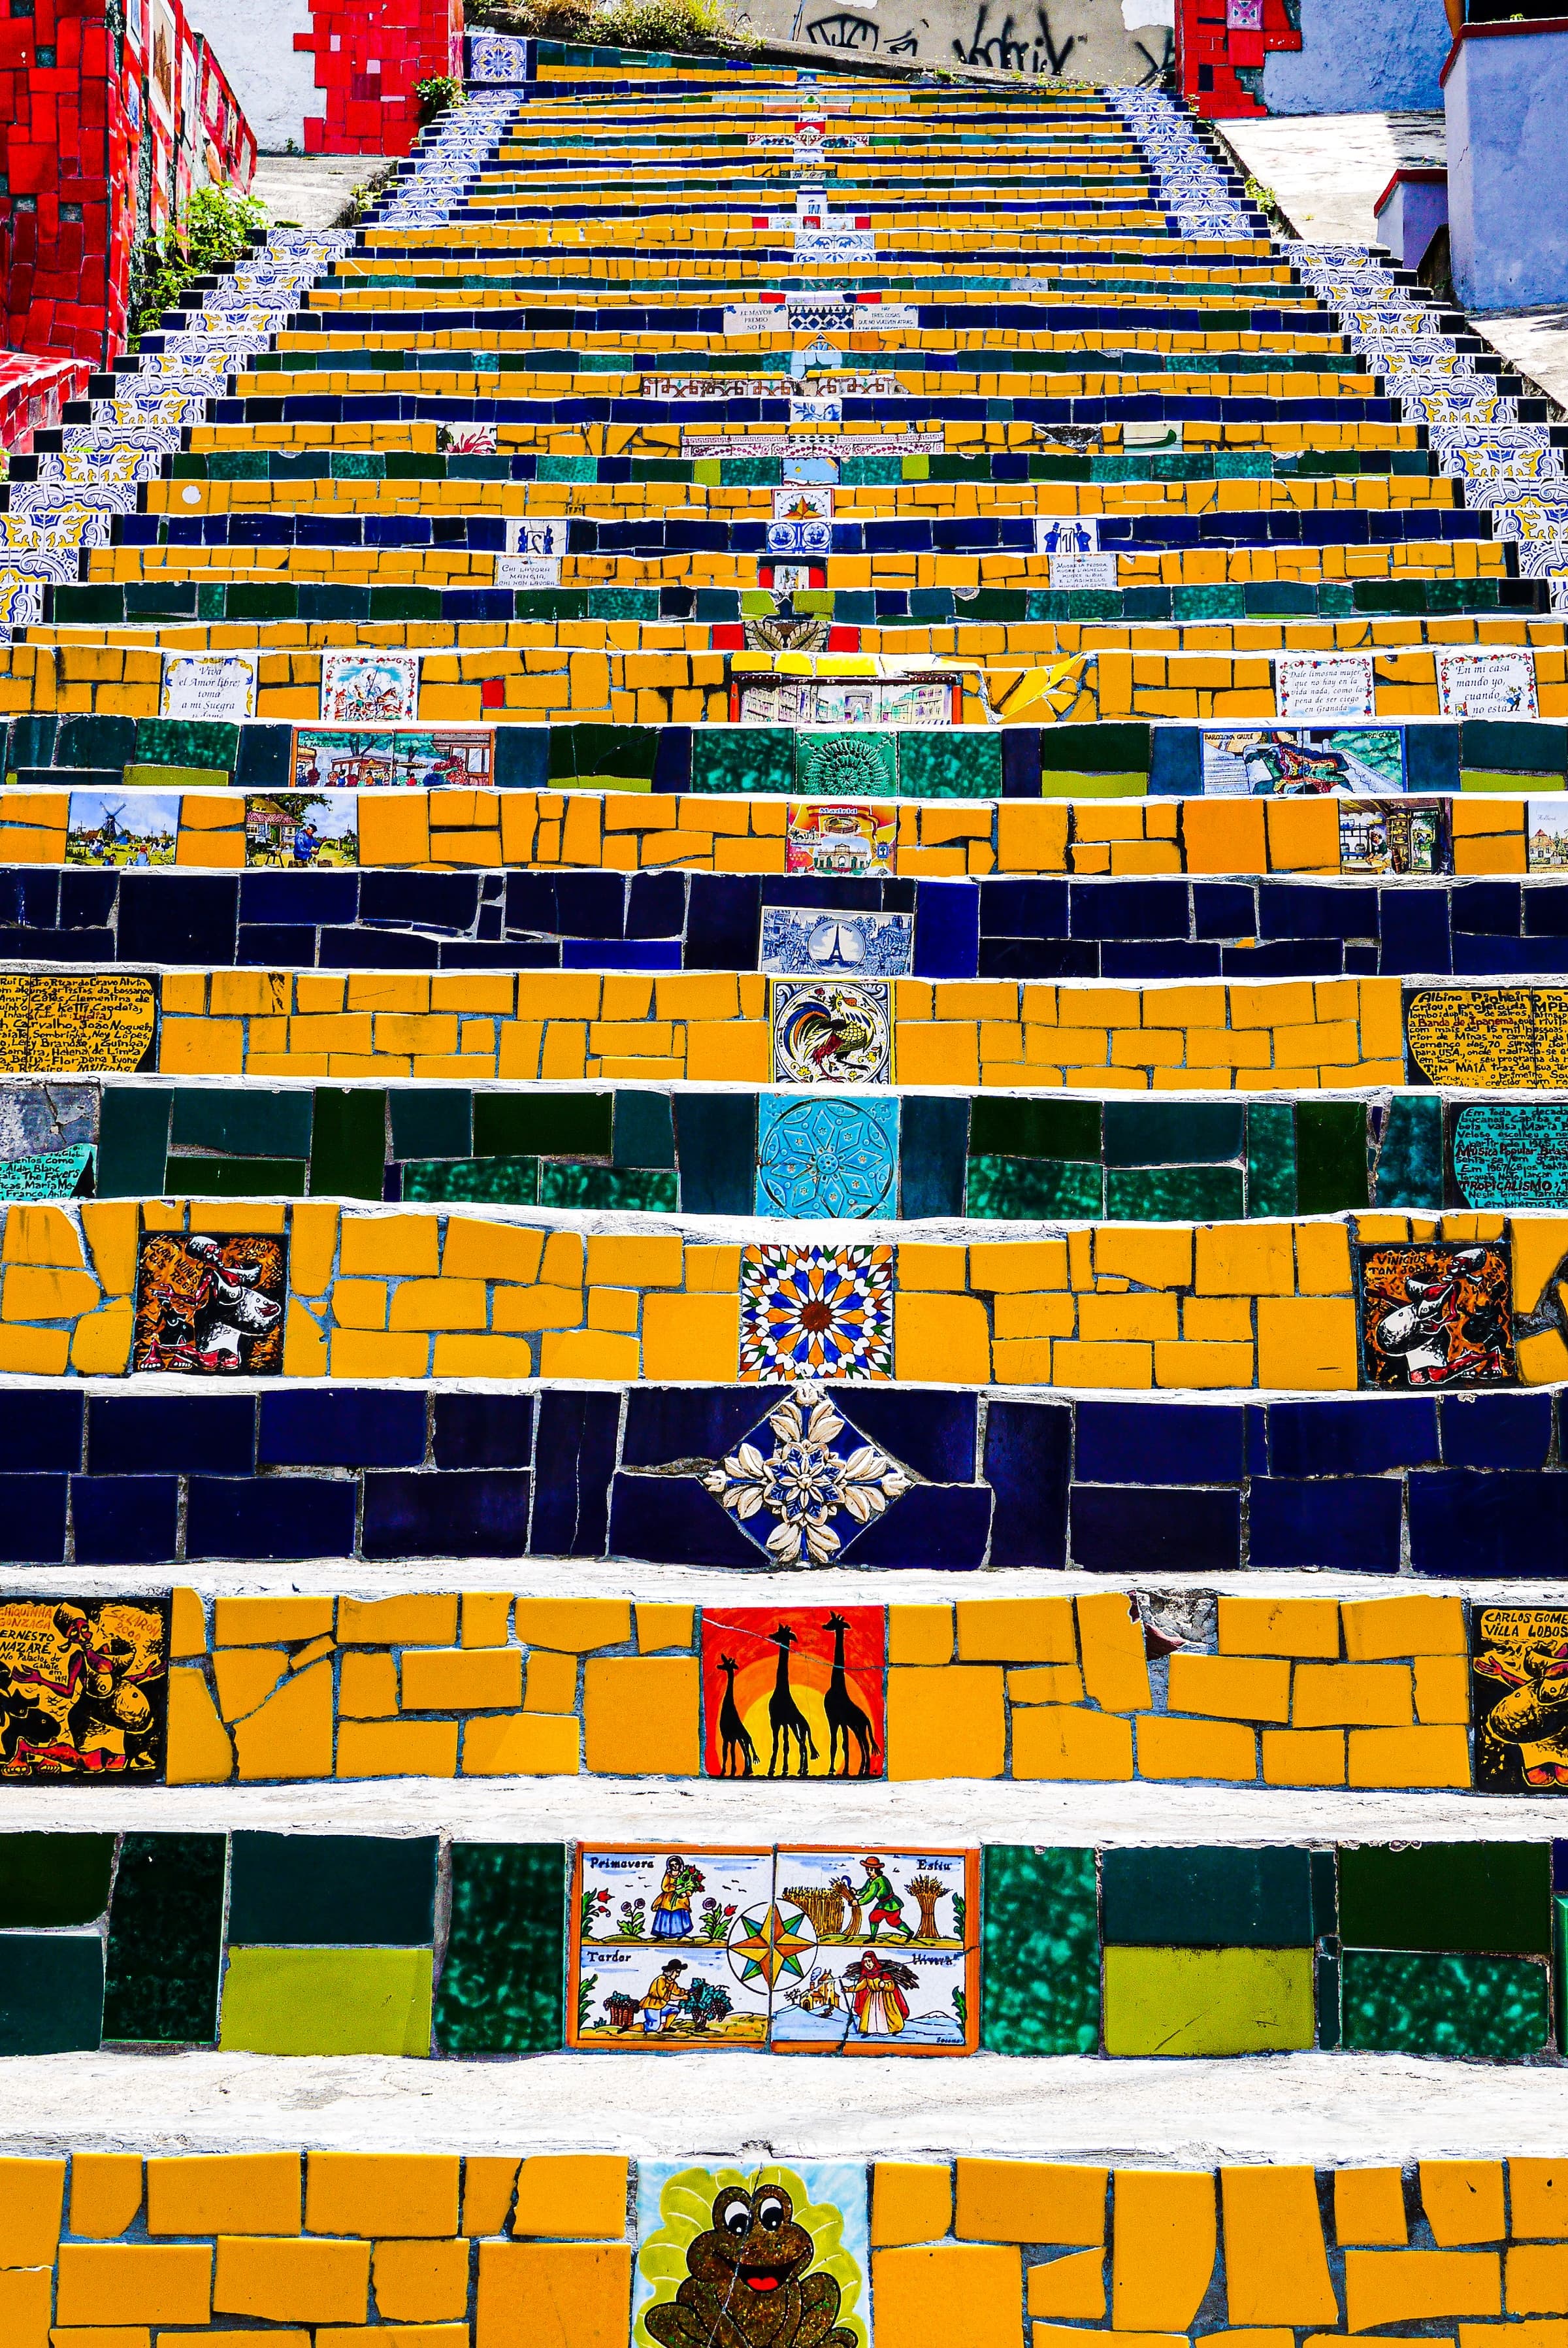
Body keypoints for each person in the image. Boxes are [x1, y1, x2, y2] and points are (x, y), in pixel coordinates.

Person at [844, 1950, 912, 2037]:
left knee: (889, 2015)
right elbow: (860, 1987)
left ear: (874, 1961)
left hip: (885, 1999)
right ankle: (870, 2030)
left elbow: (891, 1986)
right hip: (872, 1999)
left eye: (869, 1961)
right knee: (871, 2014)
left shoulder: (883, 1973)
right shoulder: (867, 1975)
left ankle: (894, 2029)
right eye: (865, 1962)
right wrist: (848, 1989)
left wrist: (884, 1985)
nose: (867, 1964)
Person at [854, 1857, 911, 1942]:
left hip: (891, 1905)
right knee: (874, 1917)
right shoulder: (871, 1880)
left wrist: (858, 1902)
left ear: (876, 1870)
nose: (868, 1872)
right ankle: (873, 1937)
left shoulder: (879, 1881)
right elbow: (865, 1890)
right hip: (883, 1905)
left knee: (893, 1922)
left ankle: (909, 1933)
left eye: (871, 1869)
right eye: (867, 1869)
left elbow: (870, 1896)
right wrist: (856, 1892)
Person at [651, 1856, 694, 1940]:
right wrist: (675, 1888)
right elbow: (665, 1887)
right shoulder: (668, 1876)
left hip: (680, 1902)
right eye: (672, 1865)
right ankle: (662, 1935)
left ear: (680, 1865)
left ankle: (680, 1935)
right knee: (665, 1917)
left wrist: (686, 1894)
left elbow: (690, 1888)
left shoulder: (684, 1876)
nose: (674, 1866)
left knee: (679, 1917)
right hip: (668, 1901)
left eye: (676, 1864)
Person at [640, 1959, 688, 2033]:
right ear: (671, 1971)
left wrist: (687, 1992)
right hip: (652, 2006)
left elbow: (678, 1991)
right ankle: (629, 2029)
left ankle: (666, 2028)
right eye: (677, 1972)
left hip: (661, 2006)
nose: (678, 1975)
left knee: (675, 2010)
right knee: (653, 2027)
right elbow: (665, 1996)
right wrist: (681, 1998)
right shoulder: (661, 1980)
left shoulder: (672, 1982)